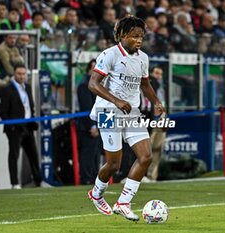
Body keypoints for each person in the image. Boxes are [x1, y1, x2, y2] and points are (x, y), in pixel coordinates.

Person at [87, 15, 165, 221]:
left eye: (141, 36)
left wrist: (156, 102)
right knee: (114, 165)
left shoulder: (143, 58)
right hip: (107, 112)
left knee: (146, 156)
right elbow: (93, 84)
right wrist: (116, 101)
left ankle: (123, 202)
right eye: (134, 36)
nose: (139, 40)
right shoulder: (109, 55)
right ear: (122, 35)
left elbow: (145, 84)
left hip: (131, 112)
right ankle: (96, 194)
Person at [0, 64, 41, 189]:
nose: (22, 76)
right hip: (15, 128)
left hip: (27, 126)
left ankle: (38, 181)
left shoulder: (27, 87)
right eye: (19, 74)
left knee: (33, 154)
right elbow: (2, 112)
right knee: (14, 155)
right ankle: (14, 183)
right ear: (14, 74)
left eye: (24, 74)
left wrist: (32, 120)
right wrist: (11, 126)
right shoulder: (7, 89)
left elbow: (30, 106)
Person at [77, 59, 101, 185]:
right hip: (88, 127)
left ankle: (94, 178)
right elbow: (86, 107)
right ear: (89, 69)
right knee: (88, 154)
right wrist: (92, 126)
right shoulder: (85, 85)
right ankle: (86, 179)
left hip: (98, 124)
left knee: (96, 154)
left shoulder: (98, 84)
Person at [145, 66, 166, 182]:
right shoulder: (150, 84)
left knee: (158, 148)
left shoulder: (160, 87)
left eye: (160, 74)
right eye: (157, 73)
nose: (159, 76)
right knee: (147, 148)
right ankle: (141, 175)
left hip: (161, 117)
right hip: (152, 118)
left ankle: (152, 176)